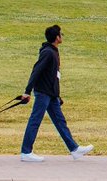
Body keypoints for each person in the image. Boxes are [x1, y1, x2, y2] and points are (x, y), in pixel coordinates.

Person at [19, 25, 93, 162]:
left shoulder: (53, 51)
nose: (62, 36)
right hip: (43, 93)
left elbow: (54, 76)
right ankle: (26, 152)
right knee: (35, 120)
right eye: (61, 34)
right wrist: (27, 91)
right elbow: (36, 71)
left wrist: (57, 95)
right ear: (57, 37)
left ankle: (74, 149)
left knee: (60, 122)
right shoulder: (48, 52)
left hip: (51, 94)